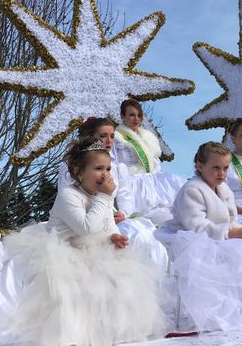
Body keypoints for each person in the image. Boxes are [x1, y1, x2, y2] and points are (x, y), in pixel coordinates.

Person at [0, 138, 166, 346]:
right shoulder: (69, 195)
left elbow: (106, 226)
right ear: (79, 172)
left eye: (108, 168)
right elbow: (87, 228)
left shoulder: (100, 197)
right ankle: (73, 336)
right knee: (74, 286)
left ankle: (114, 330)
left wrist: (113, 237)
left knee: (123, 277)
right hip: (65, 249)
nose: (105, 174)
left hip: (91, 249)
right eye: (98, 169)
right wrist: (106, 196)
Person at [155, 142, 242, 332]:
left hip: (219, 236)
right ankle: (222, 309)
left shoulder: (224, 189)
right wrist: (233, 233)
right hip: (192, 240)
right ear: (200, 166)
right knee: (239, 250)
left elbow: (231, 219)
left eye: (225, 168)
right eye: (215, 168)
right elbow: (197, 226)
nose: (221, 173)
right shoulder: (192, 190)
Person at [57, 116, 168, 271]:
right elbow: (72, 203)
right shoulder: (69, 168)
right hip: (80, 222)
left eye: (112, 136)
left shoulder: (117, 168)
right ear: (89, 138)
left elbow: (125, 196)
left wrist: (122, 213)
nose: (109, 141)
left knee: (143, 235)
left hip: (111, 221)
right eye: (102, 136)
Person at [115, 99, 186, 225]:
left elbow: (156, 164)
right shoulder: (117, 138)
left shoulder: (149, 138)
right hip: (134, 186)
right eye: (131, 115)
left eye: (139, 115)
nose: (136, 119)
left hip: (155, 182)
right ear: (122, 116)